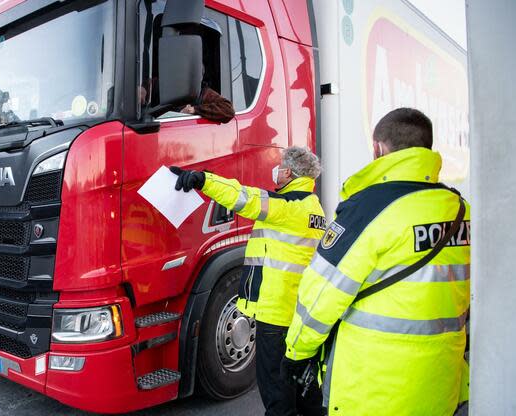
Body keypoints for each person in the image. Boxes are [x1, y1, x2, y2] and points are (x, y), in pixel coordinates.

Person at [281, 108, 471, 415]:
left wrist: (296, 353)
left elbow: (321, 295)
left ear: (378, 149)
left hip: (373, 388)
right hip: (440, 383)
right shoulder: (460, 209)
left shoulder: (369, 208)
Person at [170, 146, 326, 416]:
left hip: (276, 312)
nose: (276, 172)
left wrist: (203, 180)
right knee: (301, 378)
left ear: (288, 172)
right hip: (299, 308)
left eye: (279, 167)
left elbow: (245, 197)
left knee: (275, 385)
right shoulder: (314, 208)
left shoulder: (288, 207)